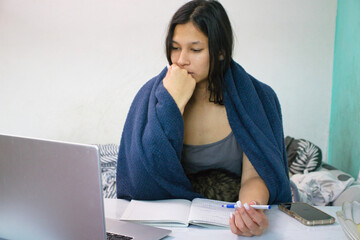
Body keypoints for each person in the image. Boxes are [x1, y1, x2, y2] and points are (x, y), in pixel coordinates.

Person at [116, 0, 291, 237]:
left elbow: (256, 175)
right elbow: (143, 177)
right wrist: (172, 103)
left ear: (220, 52)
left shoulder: (258, 98)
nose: (181, 60)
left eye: (195, 50)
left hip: (226, 218)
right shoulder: (151, 96)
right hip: (171, 222)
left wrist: (249, 211)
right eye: (175, 47)